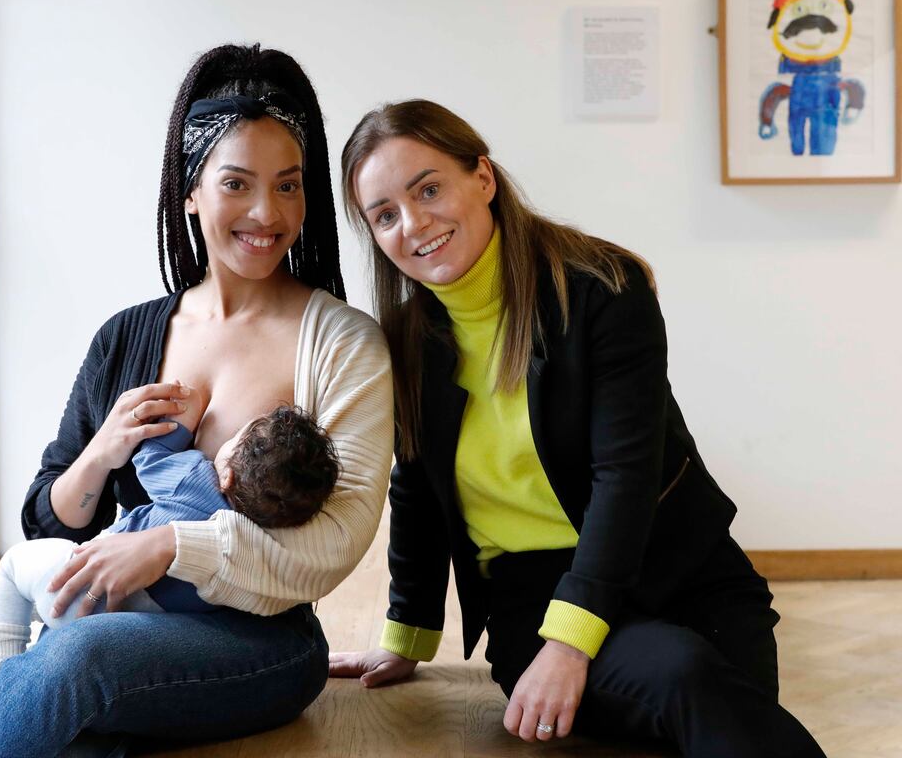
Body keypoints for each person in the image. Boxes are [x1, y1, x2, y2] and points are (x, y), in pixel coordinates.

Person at [0, 44, 392, 758]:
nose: (267, 213)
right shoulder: (128, 337)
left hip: (261, 643)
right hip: (118, 625)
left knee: (77, 664)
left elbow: (331, 548)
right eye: (237, 183)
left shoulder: (343, 344)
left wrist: (169, 545)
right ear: (191, 192)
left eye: (289, 186)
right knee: (73, 715)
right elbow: (50, 517)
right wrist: (104, 449)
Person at [328, 99, 825, 757]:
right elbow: (417, 487)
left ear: (483, 178)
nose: (414, 222)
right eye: (385, 214)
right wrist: (407, 637)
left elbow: (624, 475)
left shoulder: (602, 289)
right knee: (684, 678)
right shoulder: (404, 340)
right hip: (532, 596)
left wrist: (574, 644)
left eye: (428, 188)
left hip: (684, 569)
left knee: (712, 702)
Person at [0, 398, 340, 690]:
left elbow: (149, 459)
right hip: (134, 626)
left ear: (227, 474)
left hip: (79, 585)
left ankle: (3, 663)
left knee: (11, 567)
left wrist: (180, 424)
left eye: (233, 438)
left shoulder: (197, 480)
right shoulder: (253, 540)